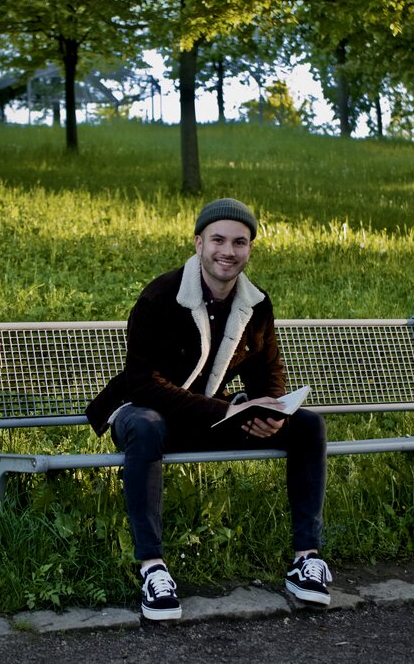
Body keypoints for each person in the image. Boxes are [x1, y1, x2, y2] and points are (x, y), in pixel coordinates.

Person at [86, 198, 331, 621]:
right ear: (199, 242)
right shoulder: (160, 295)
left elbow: (269, 371)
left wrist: (269, 412)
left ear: (250, 249)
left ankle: (305, 560)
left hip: (203, 414)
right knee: (144, 426)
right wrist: (228, 408)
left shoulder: (255, 303)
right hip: (141, 408)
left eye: (240, 242)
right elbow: (144, 384)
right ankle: (152, 569)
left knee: (307, 424)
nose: (228, 251)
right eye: (218, 239)